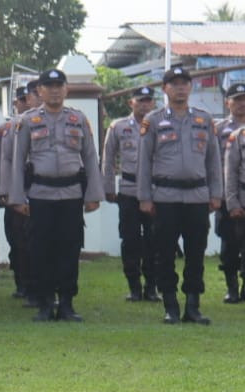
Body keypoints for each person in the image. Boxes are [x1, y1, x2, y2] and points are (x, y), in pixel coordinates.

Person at [8, 68, 102, 322]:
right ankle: (45, 303)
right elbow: (17, 161)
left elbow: (90, 158)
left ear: (66, 89)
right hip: (40, 195)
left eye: (59, 86)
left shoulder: (78, 119)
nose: (54, 90)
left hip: (71, 195)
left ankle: (67, 303)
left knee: (70, 250)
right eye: (48, 86)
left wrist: (94, 194)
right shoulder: (27, 121)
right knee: (40, 251)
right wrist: (17, 197)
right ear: (40, 91)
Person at [136, 65, 222, 325]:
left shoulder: (204, 119)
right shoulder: (153, 120)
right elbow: (144, 162)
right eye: (174, 83)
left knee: (196, 253)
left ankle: (193, 306)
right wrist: (144, 197)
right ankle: (171, 306)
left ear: (191, 87)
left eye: (185, 82)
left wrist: (216, 193)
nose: (180, 87)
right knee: (164, 254)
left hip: (197, 196)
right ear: (165, 89)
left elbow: (213, 160)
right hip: (165, 197)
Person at [101, 84, 158, 303]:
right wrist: (108, 188)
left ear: (153, 103)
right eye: (140, 100)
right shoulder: (118, 126)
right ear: (131, 103)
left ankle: (152, 288)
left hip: (154, 192)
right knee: (130, 240)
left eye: (148, 101)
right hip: (128, 190)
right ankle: (134, 287)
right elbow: (108, 159)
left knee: (154, 241)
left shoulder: (160, 125)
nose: (144, 105)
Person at [0, 82, 39, 304]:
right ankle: (25, 285)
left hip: (45, 191)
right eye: (23, 99)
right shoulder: (9, 128)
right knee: (20, 243)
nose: (25, 103)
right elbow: (3, 161)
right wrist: (4, 192)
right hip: (19, 192)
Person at [212, 82, 245, 303]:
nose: (242, 103)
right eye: (237, 99)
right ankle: (232, 287)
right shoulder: (219, 129)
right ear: (228, 103)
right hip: (226, 195)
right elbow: (212, 163)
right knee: (229, 244)